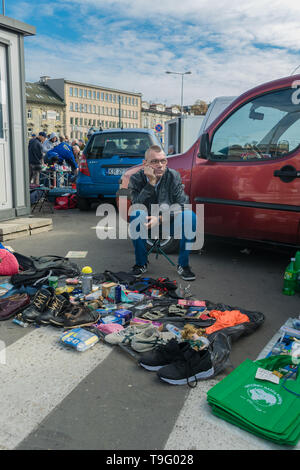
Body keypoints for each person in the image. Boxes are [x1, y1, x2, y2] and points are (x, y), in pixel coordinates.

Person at [128, 145, 197, 281]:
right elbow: (136, 205)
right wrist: (151, 184)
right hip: (145, 222)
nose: (160, 165)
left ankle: (183, 265)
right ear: (145, 163)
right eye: (154, 161)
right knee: (136, 214)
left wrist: (160, 219)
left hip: (168, 221)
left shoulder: (173, 176)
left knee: (190, 217)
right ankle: (141, 263)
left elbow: (184, 205)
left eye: (163, 161)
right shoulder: (136, 178)